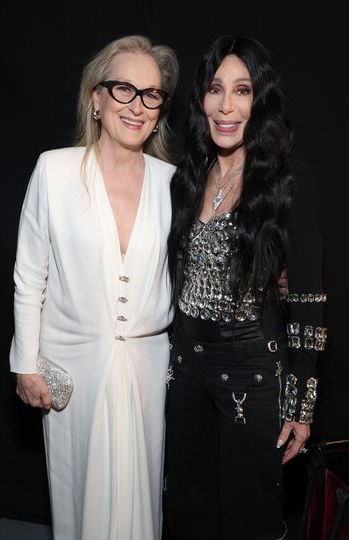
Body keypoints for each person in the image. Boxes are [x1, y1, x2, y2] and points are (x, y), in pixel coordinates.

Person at [9, 34, 179, 540]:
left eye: (150, 94)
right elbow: (29, 274)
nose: (137, 105)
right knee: (79, 497)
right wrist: (25, 360)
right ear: (96, 97)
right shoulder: (55, 170)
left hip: (148, 368)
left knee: (142, 498)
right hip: (72, 369)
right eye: (123, 89)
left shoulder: (174, 181)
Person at [163, 35, 326, 540]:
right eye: (216, 90)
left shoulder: (287, 183)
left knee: (247, 518)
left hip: (252, 373)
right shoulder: (186, 179)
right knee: (187, 514)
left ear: (262, 101)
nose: (226, 106)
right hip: (186, 367)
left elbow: (308, 301)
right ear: (202, 99)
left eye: (242, 90)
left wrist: (301, 404)